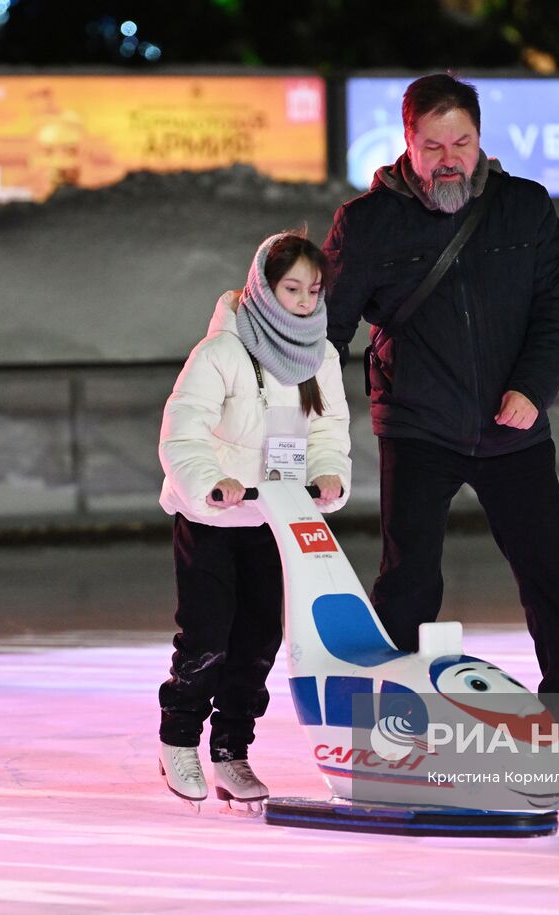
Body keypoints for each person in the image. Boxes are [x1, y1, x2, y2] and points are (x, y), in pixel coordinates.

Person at [321, 73, 559, 763]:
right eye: (433, 145)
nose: (449, 159)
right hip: (417, 425)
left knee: (549, 574)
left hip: (512, 428)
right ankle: (393, 722)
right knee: (408, 581)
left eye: (460, 142)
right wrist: (303, 424)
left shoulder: (524, 208)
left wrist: (532, 389)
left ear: (481, 139)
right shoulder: (366, 223)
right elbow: (327, 332)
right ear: (407, 143)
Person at [157, 232, 352, 811]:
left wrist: (328, 473)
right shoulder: (220, 352)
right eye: (291, 289)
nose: (303, 301)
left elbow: (327, 429)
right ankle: (179, 740)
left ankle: (231, 750)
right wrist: (211, 482)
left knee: (260, 640)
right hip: (213, 518)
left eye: (312, 290)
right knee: (208, 635)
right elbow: (182, 431)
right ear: (264, 288)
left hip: (274, 517)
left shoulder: (320, 355)